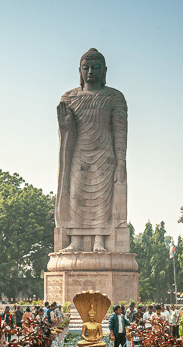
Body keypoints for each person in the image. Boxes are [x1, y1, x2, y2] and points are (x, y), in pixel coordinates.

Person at [56, 48, 128, 252]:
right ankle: (75, 242)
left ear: (104, 70)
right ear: (79, 70)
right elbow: (66, 132)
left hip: (105, 154)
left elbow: (120, 131)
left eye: (95, 68)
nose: (90, 72)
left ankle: (99, 240)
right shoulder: (69, 98)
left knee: (102, 199)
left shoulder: (114, 97)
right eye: (86, 68)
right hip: (79, 153)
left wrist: (121, 161)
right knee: (76, 196)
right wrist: (65, 125)